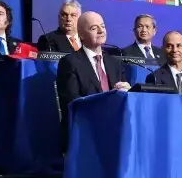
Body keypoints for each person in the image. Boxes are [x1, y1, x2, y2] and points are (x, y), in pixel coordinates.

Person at [55, 11, 130, 149]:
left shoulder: (115, 63)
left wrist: (127, 92)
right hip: (85, 130)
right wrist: (109, 98)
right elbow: (73, 102)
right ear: (81, 35)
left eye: (103, 26)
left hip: (116, 128)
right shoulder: (70, 62)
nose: (101, 31)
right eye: (94, 28)